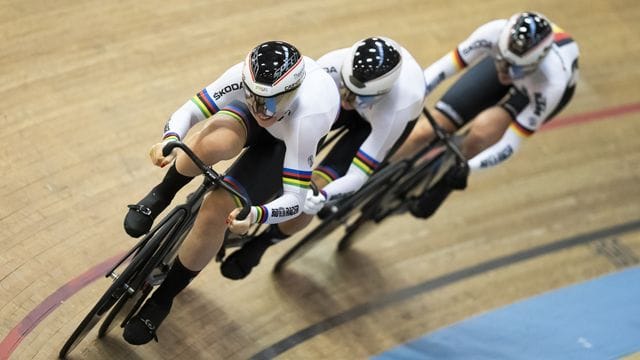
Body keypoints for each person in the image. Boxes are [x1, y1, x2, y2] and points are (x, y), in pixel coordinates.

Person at [120, 41, 340, 345]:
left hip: (284, 144)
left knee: (216, 210)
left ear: (294, 92)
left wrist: (256, 213)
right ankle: (161, 194)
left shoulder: (310, 116)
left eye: (274, 101)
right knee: (213, 142)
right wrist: (169, 140)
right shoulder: (240, 76)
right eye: (256, 97)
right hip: (246, 121)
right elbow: (191, 110)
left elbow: (296, 200)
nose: (264, 110)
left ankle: (162, 300)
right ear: (246, 83)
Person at [219, 37, 426, 280]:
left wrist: (324, 196)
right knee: (294, 139)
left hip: (375, 126)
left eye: (359, 97)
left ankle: (262, 243)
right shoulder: (331, 66)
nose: (349, 101)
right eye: (346, 89)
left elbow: (357, 175)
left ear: (383, 93)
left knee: (314, 191)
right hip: (342, 102)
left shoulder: (398, 109)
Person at [391, 11, 579, 219]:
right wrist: (409, 99)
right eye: (504, 62)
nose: (506, 73)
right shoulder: (494, 33)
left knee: (482, 133)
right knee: (424, 130)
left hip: (533, 90)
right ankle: (377, 167)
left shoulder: (553, 82)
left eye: (514, 69)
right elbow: (440, 71)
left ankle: (445, 181)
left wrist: (468, 166)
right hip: (512, 62)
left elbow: (511, 142)